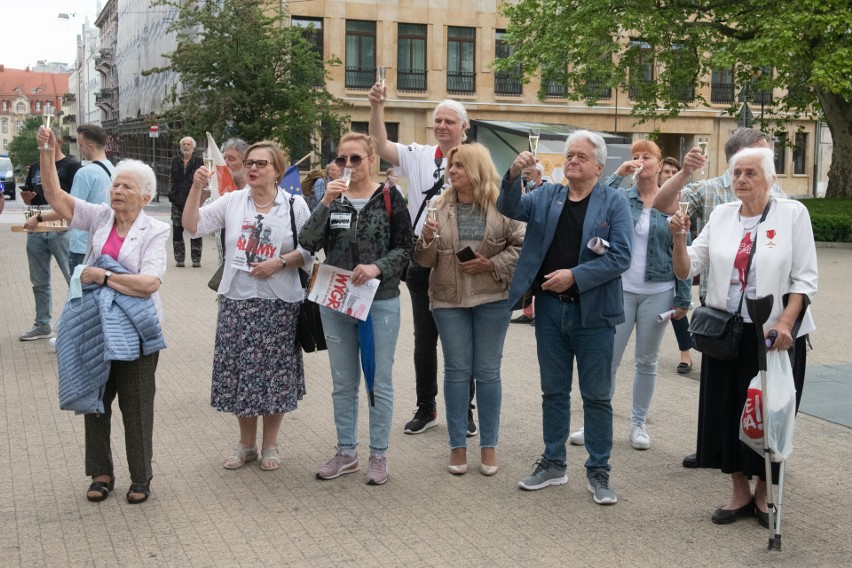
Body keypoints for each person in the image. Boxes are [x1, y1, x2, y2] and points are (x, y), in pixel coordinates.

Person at [669, 147, 817, 528]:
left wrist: (785, 323)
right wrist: (679, 240)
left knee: (771, 414)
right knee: (726, 411)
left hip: (773, 335)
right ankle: (738, 492)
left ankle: (765, 495)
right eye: (736, 173)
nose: (742, 180)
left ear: (769, 178)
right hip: (724, 332)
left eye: (751, 173)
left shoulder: (791, 215)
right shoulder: (721, 215)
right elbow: (687, 270)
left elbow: (804, 278)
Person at [35, 126, 170, 505]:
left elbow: (149, 284)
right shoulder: (100, 218)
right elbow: (55, 197)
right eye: (115, 185)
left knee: (137, 405)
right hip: (95, 326)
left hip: (136, 330)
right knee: (94, 399)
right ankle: (100, 473)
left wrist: (104, 276)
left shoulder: (155, 230)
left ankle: (140, 477)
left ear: (145, 195)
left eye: (126, 187)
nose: (117, 191)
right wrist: (48, 153)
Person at [498, 130, 633, 505]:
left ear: (598, 166)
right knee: (554, 391)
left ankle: (599, 471)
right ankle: (554, 463)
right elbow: (509, 208)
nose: (572, 160)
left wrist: (575, 276)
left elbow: (621, 257)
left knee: (597, 396)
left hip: (594, 313)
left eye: (581, 156)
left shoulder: (614, 202)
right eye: (569, 155)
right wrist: (511, 176)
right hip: (550, 311)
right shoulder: (548, 195)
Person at [653, 127, 787, 469]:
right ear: (736, 158)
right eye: (763, 152)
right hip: (721, 310)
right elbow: (663, 205)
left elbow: (800, 269)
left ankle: (759, 461)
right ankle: (714, 451)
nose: (768, 160)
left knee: (756, 394)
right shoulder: (713, 194)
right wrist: (684, 172)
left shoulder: (783, 200)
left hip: (765, 316)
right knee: (718, 394)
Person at [182, 140, 313, 472]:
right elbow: (192, 226)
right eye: (250, 163)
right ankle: (245, 444)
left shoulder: (295, 205)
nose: (252, 168)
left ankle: (271, 444)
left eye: (261, 164)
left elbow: (310, 252)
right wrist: (197, 188)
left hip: (280, 303)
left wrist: (280, 263)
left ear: (278, 171)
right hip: (238, 301)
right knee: (242, 374)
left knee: (274, 376)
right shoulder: (231, 202)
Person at [300, 132, 413, 486]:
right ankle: (346, 451)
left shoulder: (391, 197)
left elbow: (406, 247)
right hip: (336, 300)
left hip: (379, 300)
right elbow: (307, 241)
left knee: (378, 379)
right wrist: (324, 203)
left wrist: (377, 267)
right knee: (342, 380)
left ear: (371, 161)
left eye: (355, 159)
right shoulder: (332, 198)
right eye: (342, 159)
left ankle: (378, 454)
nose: (347, 165)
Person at [568, 140, 691, 451]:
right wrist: (618, 174)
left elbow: (685, 249)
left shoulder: (676, 202)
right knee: (607, 359)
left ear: (661, 165)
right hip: (619, 288)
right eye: (635, 156)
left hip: (659, 290)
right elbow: (594, 202)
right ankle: (595, 422)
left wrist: (683, 298)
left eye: (646, 156)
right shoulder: (621, 197)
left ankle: (638, 423)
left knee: (646, 361)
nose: (639, 161)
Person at [369, 83, 475, 435]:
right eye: (438, 121)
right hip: (422, 259)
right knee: (424, 340)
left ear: (464, 127)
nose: (442, 126)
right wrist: (377, 107)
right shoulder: (417, 154)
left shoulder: (476, 160)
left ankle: (465, 409)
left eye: (450, 121)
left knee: (460, 341)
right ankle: (426, 407)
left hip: (460, 261)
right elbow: (380, 145)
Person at [414, 143, 524, 476]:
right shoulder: (438, 204)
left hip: (492, 298)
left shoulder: (503, 206)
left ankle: (489, 446)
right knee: (457, 372)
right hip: (448, 300)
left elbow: (522, 245)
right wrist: (427, 240)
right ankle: (457, 446)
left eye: (460, 165)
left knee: (488, 372)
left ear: (475, 169)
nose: (452, 171)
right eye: (452, 165)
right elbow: (424, 260)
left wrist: (491, 264)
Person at [18, 128, 82, 341]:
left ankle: (78, 325)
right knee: (38, 280)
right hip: (36, 227)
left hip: (61, 229)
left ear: (59, 141)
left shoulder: (72, 166)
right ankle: (42, 324)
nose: (44, 142)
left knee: (72, 278)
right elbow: (29, 198)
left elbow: (75, 199)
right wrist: (28, 197)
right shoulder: (36, 166)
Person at [655, 157, 693, 374]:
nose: (669, 175)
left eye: (673, 172)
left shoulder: (683, 201)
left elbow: (685, 241)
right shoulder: (654, 199)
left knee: (678, 307)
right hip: (654, 265)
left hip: (674, 261)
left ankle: (685, 354)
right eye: (666, 172)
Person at [68, 124, 115, 273]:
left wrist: (40, 218)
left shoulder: (85, 173)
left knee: (78, 293)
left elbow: (71, 208)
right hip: (107, 244)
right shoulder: (116, 170)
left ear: (90, 146)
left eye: (81, 145)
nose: (81, 149)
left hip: (83, 246)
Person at [510, 163, 546, 326]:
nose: (526, 177)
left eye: (529, 174)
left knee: (539, 280)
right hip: (525, 239)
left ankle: (539, 314)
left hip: (540, 243)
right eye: (525, 174)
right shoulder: (528, 191)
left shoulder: (546, 192)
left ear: (539, 174)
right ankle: (527, 312)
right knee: (527, 280)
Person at [169, 136, 204, 267]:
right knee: (177, 231)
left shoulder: (199, 162)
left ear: (193, 147)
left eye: (189, 144)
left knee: (195, 230)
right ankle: (179, 259)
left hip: (193, 202)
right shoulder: (174, 161)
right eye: (184, 144)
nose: (186, 146)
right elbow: (171, 179)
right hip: (177, 201)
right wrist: (171, 194)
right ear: (180, 147)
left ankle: (196, 259)